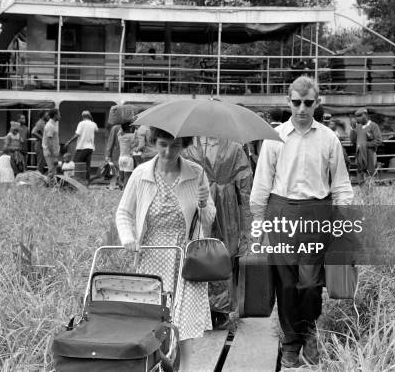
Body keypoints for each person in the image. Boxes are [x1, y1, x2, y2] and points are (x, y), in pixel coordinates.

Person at [250, 76, 353, 368]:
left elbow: (342, 186)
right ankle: (291, 342)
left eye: (308, 103)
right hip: (280, 210)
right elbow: (261, 185)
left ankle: (310, 332)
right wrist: (259, 227)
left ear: (317, 103)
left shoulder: (328, 139)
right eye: (297, 102)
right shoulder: (274, 137)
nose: (302, 109)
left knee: (310, 282)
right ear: (288, 102)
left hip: (317, 212)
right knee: (286, 282)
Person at [116, 127, 215, 370]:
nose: (169, 151)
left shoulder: (196, 173)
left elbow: (209, 218)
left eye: (176, 145)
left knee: (185, 319)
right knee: (153, 316)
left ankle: (187, 368)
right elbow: (124, 213)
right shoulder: (141, 174)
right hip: (151, 252)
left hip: (185, 255)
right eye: (163, 144)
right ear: (153, 142)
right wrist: (128, 238)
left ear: (184, 145)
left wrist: (203, 203)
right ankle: (154, 364)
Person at [182, 136, 252, 330]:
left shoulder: (236, 148)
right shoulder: (188, 147)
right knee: (198, 251)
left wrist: (249, 225)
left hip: (227, 205)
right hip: (198, 202)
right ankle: (200, 306)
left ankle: (221, 310)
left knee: (224, 253)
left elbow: (245, 188)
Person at [66, 110, 98, 186]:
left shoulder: (81, 123)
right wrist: (92, 120)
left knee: (76, 164)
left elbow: (77, 134)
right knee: (87, 166)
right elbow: (97, 130)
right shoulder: (93, 124)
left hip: (82, 147)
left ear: (82, 116)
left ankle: (76, 182)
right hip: (90, 148)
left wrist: (69, 141)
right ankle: (87, 182)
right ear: (89, 116)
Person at [350, 108, 382, 182]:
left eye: (360, 115)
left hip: (370, 155)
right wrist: (352, 129)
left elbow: (379, 140)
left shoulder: (373, 126)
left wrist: (365, 144)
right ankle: (362, 192)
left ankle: (370, 192)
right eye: (357, 116)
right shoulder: (357, 127)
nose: (358, 118)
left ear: (365, 115)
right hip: (359, 155)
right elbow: (353, 140)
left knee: (369, 175)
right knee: (360, 174)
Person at [42, 108, 61, 179]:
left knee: (53, 171)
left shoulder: (52, 125)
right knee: (52, 172)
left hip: (52, 152)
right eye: (59, 114)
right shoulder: (50, 126)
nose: (60, 116)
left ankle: (49, 186)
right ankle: (47, 186)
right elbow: (50, 142)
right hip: (50, 153)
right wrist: (55, 156)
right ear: (55, 115)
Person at [117, 122, 136, 187]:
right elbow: (135, 139)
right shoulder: (131, 136)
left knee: (121, 176)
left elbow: (120, 130)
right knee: (127, 177)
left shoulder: (119, 136)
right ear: (129, 127)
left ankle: (120, 189)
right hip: (128, 158)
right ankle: (125, 190)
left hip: (121, 158)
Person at [105, 123, 122, 190]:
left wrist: (108, 155)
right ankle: (121, 185)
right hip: (125, 152)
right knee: (122, 170)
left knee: (113, 170)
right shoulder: (128, 126)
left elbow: (110, 142)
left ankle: (112, 186)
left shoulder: (115, 128)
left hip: (116, 152)